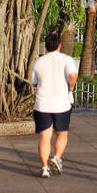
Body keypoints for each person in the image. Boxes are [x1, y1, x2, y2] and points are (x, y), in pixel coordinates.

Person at [29, 31, 78, 178]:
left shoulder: (38, 61)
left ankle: (44, 168)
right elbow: (73, 76)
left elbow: (34, 82)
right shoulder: (66, 59)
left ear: (46, 46)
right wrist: (70, 87)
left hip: (42, 104)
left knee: (45, 137)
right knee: (62, 133)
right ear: (59, 45)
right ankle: (56, 157)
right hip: (61, 103)